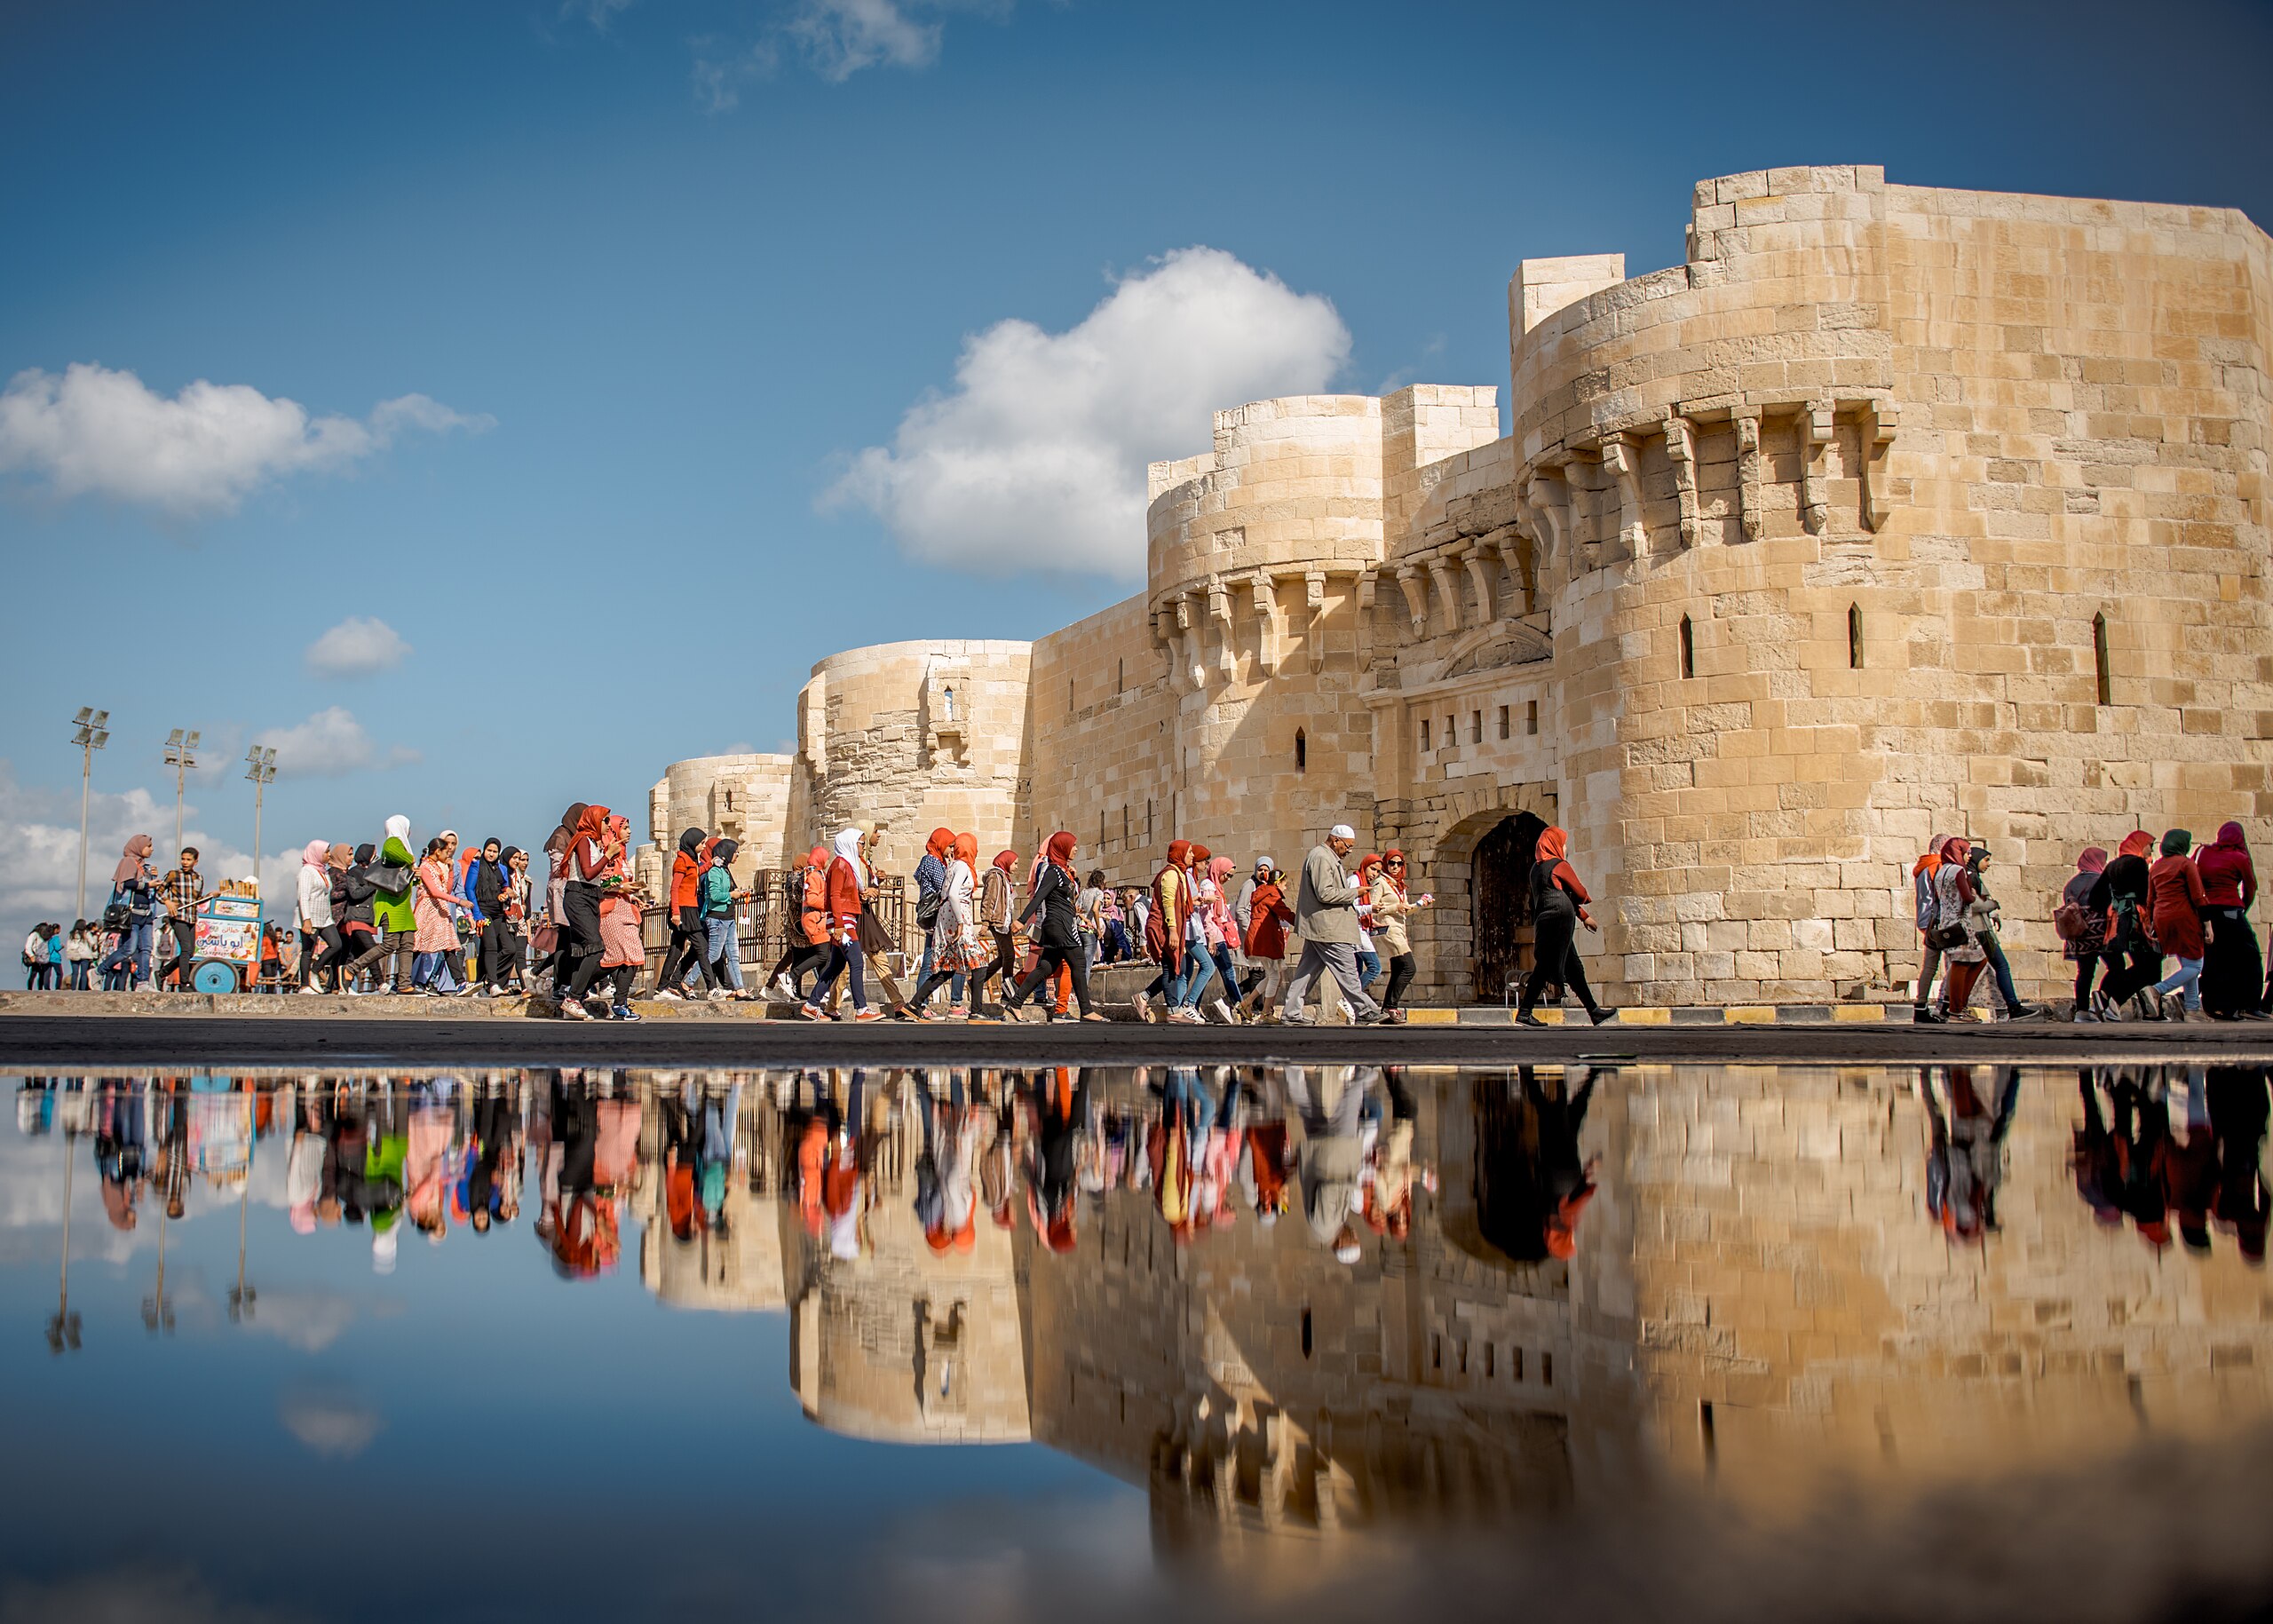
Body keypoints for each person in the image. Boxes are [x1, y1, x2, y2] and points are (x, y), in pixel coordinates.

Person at [1282, 825, 1385, 1026]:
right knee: (1347, 970)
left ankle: (1291, 1013)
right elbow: (1325, 893)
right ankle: (1364, 1010)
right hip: (1328, 927)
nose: (1349, 851)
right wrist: (1355, 892)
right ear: (1336, 840)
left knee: (1306, 973)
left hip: (1322, 926)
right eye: (1347, 846)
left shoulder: (1326, 857)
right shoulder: (1321, 857)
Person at [1517, 827, 1614, 1027]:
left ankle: (1594, 1011)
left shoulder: (1535, 869)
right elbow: (1577, 893)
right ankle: (1525, 1012)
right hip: (1560, 917)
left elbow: (1549, 896)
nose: (1565, 846)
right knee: (1545, 965)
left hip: (1545, 918)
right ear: (1555, 843)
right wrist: (1584, 906)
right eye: (1562, 842)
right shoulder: (1560, 865)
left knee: (1574, 967)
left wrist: (1583, 916)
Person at [1004, 831, 1105, 1021]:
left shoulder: (1062, 871)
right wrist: (1022, 919)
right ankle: (1086, 1010)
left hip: (1060, 924)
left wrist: (1073, 879)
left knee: (1046, 967)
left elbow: (1068, 899)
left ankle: (1015, 1003)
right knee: (1079, 962)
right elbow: (1039, 896)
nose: (1075, 849)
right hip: (1061, 926)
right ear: (1062, 847)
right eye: (1072, 845)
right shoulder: (1053, 871)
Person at [802, 828, 882, 1022]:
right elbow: (835, 895)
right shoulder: (840, 865)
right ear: (850, 844)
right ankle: (861, 1008)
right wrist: (838, 925)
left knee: (836, 966)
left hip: (845, 919)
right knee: (857, 962)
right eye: (861, 843)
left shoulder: (847, 864)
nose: (863, 847)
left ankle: (812, 1005)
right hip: (843, 922)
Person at [2196, 822, 2264, 1019]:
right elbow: (2251, 887)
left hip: (2207, 912)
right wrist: (2243, 907)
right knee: (2249, 958)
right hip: (2230, 911)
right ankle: (2250, 1005)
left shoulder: (2204, 853)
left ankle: (2217, 1006)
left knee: (2215, 959)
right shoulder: (2239, 857)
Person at [1963, 845, 2040, 1020]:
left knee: (1972, 969)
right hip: (1981, 931)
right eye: (1986, 860)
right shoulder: (1971, 877)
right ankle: (2013, 1007)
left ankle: (1956, 1006)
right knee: (2001, 965)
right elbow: (1976, 903)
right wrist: (1993, 906)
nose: (1988, 864)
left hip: (1979, 929)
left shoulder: (1970, 876)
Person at [2091, 830, 2161, 1018]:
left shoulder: (2112, 865)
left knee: (2141, 964)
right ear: (2139, 844)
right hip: (2135, 921)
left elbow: (2095, 897)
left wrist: (2113, 907)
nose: (2151, 850)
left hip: (2117, 922)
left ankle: (2105, 995)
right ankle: (2113, 999)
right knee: (2150, 966)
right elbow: (2146, 894)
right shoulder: (2138, 864)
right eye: (2149, 845)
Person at [912, 835, 983, 1018]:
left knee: (949, 968)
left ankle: (914, 1003)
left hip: (946, 917)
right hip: (958, 917)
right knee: (979, 964)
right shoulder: (963, 866)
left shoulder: (951, 866)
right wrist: (960, 921)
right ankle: (977, 1012)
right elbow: (952, 893)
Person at [554, 804, 613, 1019]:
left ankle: (575, 1000)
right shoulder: (582, 840)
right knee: (596, 948)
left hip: (590, 897)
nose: (608, 824)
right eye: (605, 820)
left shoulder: (593, 843)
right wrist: (608, 856)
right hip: (578, 897)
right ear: (595, 821)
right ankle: (573, 996)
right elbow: (587, 873)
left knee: (584, 952)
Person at [2147, 828, 2209, 1020]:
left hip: (2161, 917)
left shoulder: (2156, 867)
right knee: (2196, 965)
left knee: (2188, 962)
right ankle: (2158, 990)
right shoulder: (2186, 864)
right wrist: (2207, 924)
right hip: (2183, 917)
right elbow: (2198, 896)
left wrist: (2151, 922)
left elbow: (2150, 899)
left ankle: (2192, 1009)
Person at [654, 827, 717, 1002]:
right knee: (702, 947)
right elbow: (675, 888)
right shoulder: (682, 861)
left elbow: (695, 874)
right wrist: (675, 912)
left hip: (690, 907)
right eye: (702, 843)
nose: (704, 846)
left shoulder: (691, 860)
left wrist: (711, 864)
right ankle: (712, 988)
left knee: (676, 950)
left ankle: (665, 987)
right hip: (683, 910)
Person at [1369, 849, 1430, 1024]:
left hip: (1400, 928)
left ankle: (1388, 1009)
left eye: (1399, 864)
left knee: (1398, 969)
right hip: (1389, 929)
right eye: (1391, 863)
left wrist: (1420, 905)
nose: (1395, 867)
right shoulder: (1380, 882)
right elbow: (1374, 907)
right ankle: (1391, 1007)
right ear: (1386, 864)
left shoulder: (1399, 884)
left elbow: (1404, 911)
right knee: (1409, 967)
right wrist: (1394, 908)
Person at [1137, 839, 1194, 1024]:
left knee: (1180, 966)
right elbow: (1169, 903)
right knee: (1171, 966)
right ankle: (1173, 1010)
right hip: (1165, 927)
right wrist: (1173, 931)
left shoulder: (1179, 874)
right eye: (1190, 852)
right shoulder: (1170, 875)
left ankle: (1144, 996)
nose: (1192, 856)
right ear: (1180, 854)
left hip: (1172, 926)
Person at [100, 835, 160, 991]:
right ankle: (100, 970)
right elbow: (127, 882)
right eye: (148, 846)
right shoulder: (128, 861)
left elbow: (147, 887)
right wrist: (148, 885)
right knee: (129, 949)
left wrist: (153, 878)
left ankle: (143, 982)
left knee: (146, 949)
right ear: (138, 847)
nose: (151, 849)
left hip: (146, 913)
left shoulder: (145, 866)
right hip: (131, 913)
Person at [2059, 847, 2111, 1022]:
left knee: (2085, 971)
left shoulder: (2071, 884)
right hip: (2098, 932)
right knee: (2116, 967)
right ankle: (2104, 999)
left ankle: (2081, 1011)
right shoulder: (2100, 880)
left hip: (2078, 935)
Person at [1239, 863, 1295, 1020]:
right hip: (1263, 940)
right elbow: (1285, 913)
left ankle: (1247, 1003)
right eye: (1285, 885)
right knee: (1275, 977)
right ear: (1278, 883)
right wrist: (1302, 922)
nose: (1285, 888)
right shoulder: (1272, 895)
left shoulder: (1262, 892)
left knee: (1271, 975)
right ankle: (1265, 1013)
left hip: (1257, 938)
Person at [413, 834, 468, 994]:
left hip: (439, 909)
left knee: (448, 946)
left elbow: (447, 888)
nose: (448, 854)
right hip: (429, 909)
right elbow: (435, 891)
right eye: (445, 851)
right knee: (418, 945)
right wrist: (459, 902)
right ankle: (406, 980)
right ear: (437, 851)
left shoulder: (438, 867)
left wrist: (450, 871)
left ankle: (459, 982)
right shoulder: (425, 867)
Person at [1909, 834, 1954, 1022]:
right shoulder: (1937, 866)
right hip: (1940, 922)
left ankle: (1920, 1007)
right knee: (1954, 963)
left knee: (1929, 966)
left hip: (1927, 921)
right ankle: (1945, 1005)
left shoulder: (1923, 867)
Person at [157, 846, 210, 991]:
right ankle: (184, 983)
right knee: (186, 949)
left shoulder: (198, 878)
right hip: (178, 916)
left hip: (192, 917)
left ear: (195, 861)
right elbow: (158, 892)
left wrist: (211, 896)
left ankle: (162, 973)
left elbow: (198, 899)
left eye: (188, 860)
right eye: (183, 859)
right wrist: (167, 902)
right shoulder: (173, 875)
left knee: (190, 952)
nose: (185, 862)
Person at [466, 838, 515, 994]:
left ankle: (482, 979)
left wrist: (506, 895)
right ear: (484, 850)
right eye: (489, 851)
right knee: (491, 947)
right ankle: (493, 984)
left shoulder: (501, 868)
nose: (491, 854)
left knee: (510, 949)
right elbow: (469, 889)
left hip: (498, 912)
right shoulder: (476, 866)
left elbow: (505, 888)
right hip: (484, 911)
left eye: (494, 851)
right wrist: (477, 914)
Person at [698, 837, 744, 1001]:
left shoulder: (725, 871)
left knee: (733, 955)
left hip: (729, 917)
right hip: (717, 918)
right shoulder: (715, 871)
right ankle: (688, 981)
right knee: (713, 955)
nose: (737, 855)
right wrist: (731, 895)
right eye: (736, 852)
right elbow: (715, 895)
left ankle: (740, 989)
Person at [295, 840, 339, 994]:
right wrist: (306, 919)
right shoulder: (307, 871)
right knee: (308, 950)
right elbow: (303, 896)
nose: (329, 855)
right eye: (326, 852)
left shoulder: (323, 871)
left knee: (336, 944)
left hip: (325, 918)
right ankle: (304, 985)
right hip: (310, 917)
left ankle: (315, 970)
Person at [331, 844, 377, 991]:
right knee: (367, 950)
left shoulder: (351, 872)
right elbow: (337, 894)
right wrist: (371, 885)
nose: (351, 858)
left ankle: (338, 985)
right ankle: (381, 983)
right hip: (343, 918)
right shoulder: (339, 873)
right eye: (348, 855)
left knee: (347, 953)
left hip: (353, 917)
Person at [65, 920, 97, 990]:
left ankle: (73, 989)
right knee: (84, 974)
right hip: (85, 955)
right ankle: (82, 989)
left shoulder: (72, 934)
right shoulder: (86, 933)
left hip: (74, 954)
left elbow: (68, 944)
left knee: (75, 973)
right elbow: (92, 942)